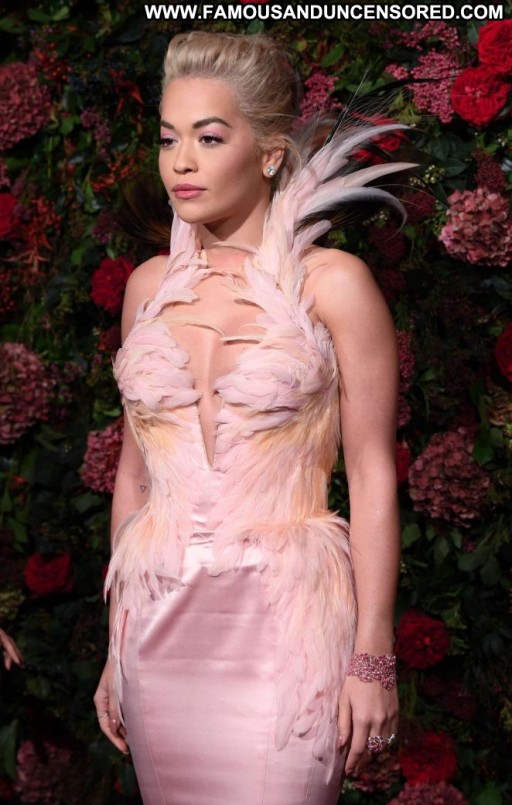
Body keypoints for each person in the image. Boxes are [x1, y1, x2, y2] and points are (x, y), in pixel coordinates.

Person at [94, 30, 413, 805]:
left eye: (209, 137)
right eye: (168, 138)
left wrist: (372, 655)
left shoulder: (334, 284)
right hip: (156, 636)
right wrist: (113, 645)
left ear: (269, 154)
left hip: (285, 629)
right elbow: (134, 479)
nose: (181, 161)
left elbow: (373, 474)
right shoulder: (147, 289)